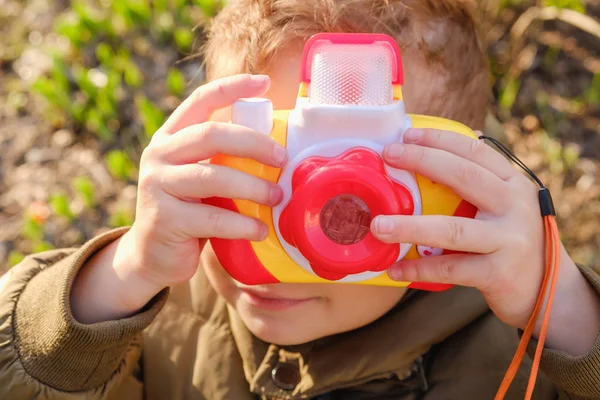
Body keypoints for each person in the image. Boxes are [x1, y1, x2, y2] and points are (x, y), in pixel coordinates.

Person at [1, 0, 599, 399]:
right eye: (254, 171)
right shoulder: (159, 306)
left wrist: (561, 307)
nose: (290, 229)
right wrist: (119, 278)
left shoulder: (516, 345)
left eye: (353, 204)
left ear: (453, 198)